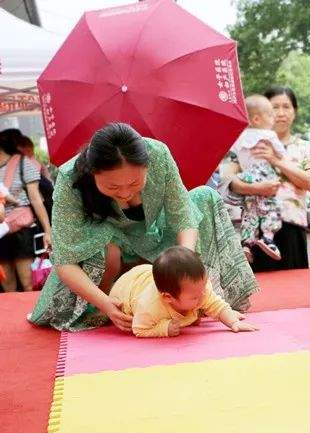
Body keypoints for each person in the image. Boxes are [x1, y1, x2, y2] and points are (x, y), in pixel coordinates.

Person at [28, 122, 258, 332]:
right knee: (107, 245)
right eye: (112, 187)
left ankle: (192, 297)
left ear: (148, 166)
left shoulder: (158, 154)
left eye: (135, 183)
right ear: (93, 173)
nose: (126, 193)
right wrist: (106, 304)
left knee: (204, 197)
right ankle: (101, 305)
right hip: (108, 256)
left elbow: (184, 216)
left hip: (156, 244)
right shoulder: (70, 179)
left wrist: (183, 264)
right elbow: (65, 261)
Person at [221, 86, 310, 271]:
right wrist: (254, 189)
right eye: (275, 107)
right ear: (260, 113)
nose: (281, 113)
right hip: (255, 229)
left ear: (294, 111)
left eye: (286, 107)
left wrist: (275, 159)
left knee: (296, 292)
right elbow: (226, 181)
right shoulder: (246, 145)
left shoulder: (305, 148)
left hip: (292, 228)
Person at [110, 246, 258, 338]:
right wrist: (163, 328)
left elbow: (217, 305)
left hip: (147, 275)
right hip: (126, 288)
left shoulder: (199, 290)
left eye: (204, 288)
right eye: (195, 297)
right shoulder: (150, 307)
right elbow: (139, 329)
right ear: (168, 297)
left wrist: (232, 321)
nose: (203, 296)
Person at [230, 94, 289, 261]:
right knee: (272, 207)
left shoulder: (240, 136)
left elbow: (237, 156)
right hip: (264, 175)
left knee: (250, 211)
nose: (274, 117)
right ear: (256, 119)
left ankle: (246, 243)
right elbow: (281, 155)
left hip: (247, 177)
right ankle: (268, 238)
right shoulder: (268, 135)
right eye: (270, 114)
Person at [0, 129, 53, 292]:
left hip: (22, 232)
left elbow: (36, 200)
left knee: (28, 284)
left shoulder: (22, 163)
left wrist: (48, 230)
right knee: (7, 285)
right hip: (1, 232)